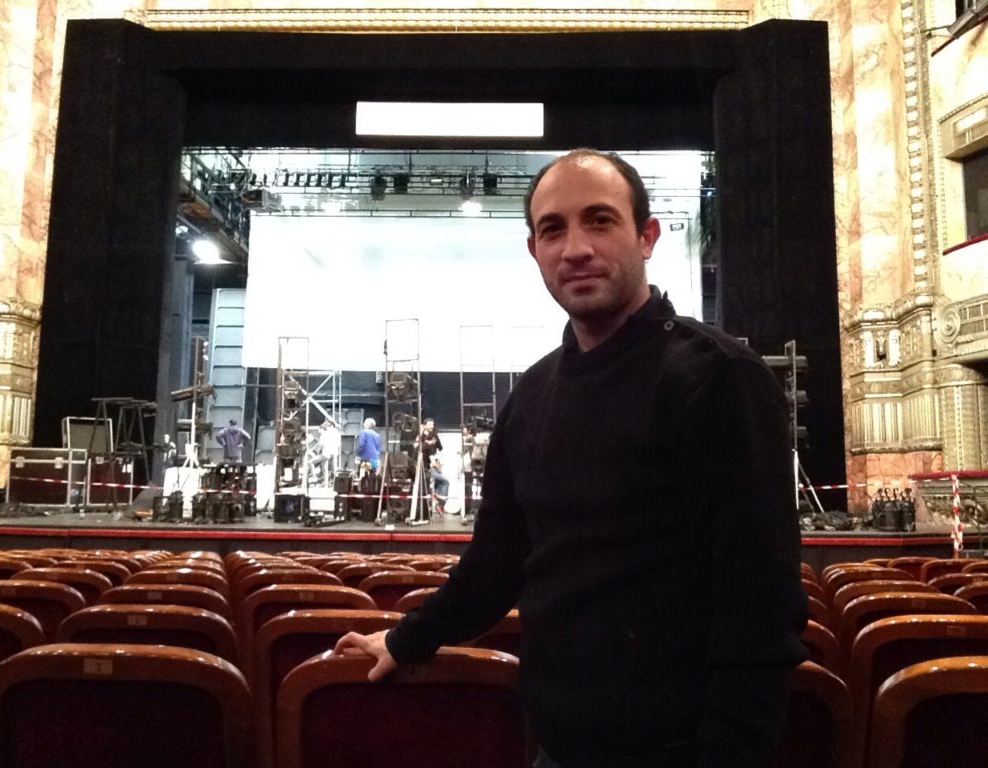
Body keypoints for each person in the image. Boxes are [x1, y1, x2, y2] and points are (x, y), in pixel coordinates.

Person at [335, 149, 808, 768]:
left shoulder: (719, 380)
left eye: (600, 220)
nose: (575, 247)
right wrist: (405, 639)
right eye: (553, 229)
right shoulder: (532, 395)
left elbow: (759, 609)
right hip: (556, 748)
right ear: (533, 250)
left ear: (647, 236)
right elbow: (495, 564)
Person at [317, 419, 342, 486]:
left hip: (327, 450)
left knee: (325, 466)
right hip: (335, 450)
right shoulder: (337, 432)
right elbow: (339, 444)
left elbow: (323, 442)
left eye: (326, 423)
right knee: (334, 467)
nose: (325, 423)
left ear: (330, 424)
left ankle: (325, 482)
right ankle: (336, 482)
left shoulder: (327, 431)